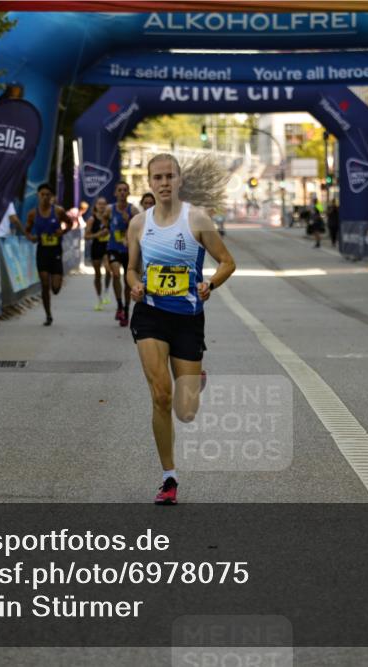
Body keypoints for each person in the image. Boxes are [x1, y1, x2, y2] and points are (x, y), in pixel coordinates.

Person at [125, 153, 236, 505]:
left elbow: (228, 262)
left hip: (187, 317)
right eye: (157, 177)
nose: (164, 183)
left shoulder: (197, 219)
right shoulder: (138, 224)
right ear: (149, 182)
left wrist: (210, 285)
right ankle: (168, 477)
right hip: (151, 315)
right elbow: (131, 268)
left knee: (185, 412)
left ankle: (196, 381)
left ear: (179, 179)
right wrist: (134, 285)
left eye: (169, 176)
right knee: (160, 395)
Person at [27, 182, 71, 326]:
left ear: (51, 196)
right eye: (42, 194)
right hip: (42, 251)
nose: (45, 197)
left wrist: (62, 231)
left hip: (55, 251)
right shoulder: (33, 214)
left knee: (56, 289)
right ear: (38, 196)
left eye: (48, 195)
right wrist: (31, 237)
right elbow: (28, 230)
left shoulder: (58, 211)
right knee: (44, 283)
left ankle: (57, 282)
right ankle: (48, 315)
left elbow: (69, 223)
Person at [107, 180, 136, 327]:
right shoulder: (109, 210)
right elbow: (104, 224)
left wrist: (130, 220)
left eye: (125, 190)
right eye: (120, 190)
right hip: (113, 248)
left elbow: (141, 228)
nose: (122, 192)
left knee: (127, 282)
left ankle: (126, 309)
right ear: (115, 193)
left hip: (129, 251)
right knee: (116, 274)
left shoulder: (133, 210)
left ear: (128, 193)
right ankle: (119, 305)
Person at [83, 196, 112, 311]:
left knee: (108, 269)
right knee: (98, 275)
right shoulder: (92, 219)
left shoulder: (110, 218)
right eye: (99, 204)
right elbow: (86, 236)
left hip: (108, 247)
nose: (102, 206)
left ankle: (106, 291)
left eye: (104, 204)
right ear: (95, 206)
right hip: (96, 247)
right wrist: (98, 235)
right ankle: (99, 298)